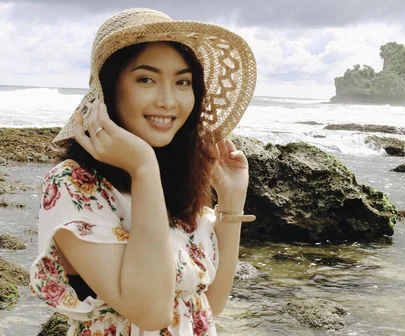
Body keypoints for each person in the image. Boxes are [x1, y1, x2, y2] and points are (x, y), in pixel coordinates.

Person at [28, 8, 257, 336]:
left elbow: (207, 305)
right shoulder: (74, 185)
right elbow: (152, 312)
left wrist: (231, 203)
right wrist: (143, 167)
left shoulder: (173, 184)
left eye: (182, 82)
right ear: (109, 89)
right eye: (146, 79)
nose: (168, 100)